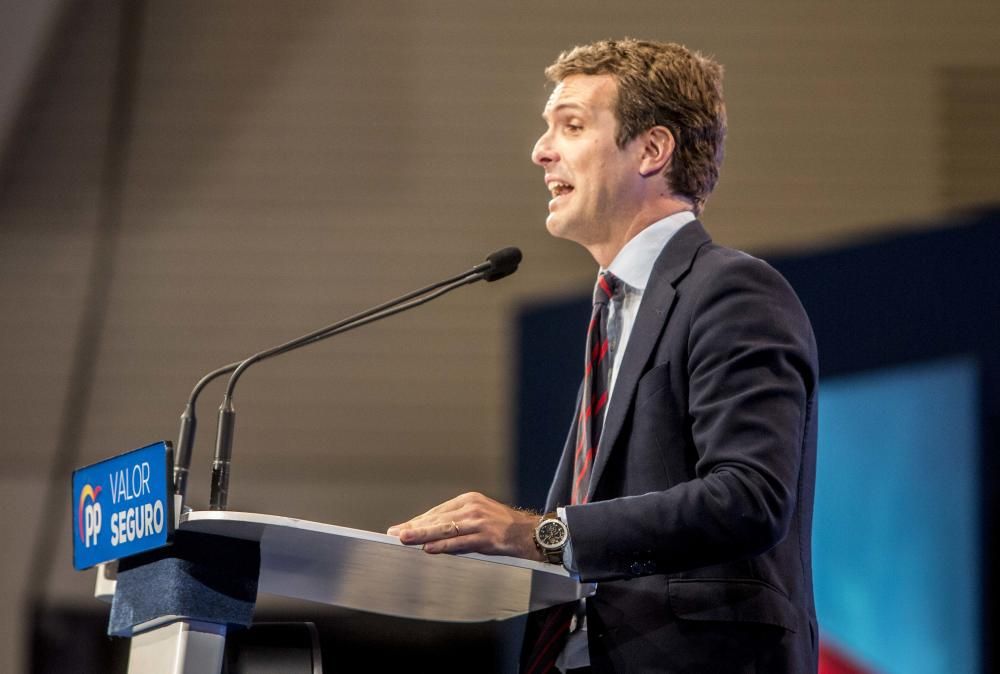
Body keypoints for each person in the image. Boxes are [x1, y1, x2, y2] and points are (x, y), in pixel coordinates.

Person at [388, 38, 818, 673]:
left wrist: (539, 533)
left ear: (652, 149)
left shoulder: (729, 289)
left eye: (572, 125)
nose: (541, 151)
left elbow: (749, 496)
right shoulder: (614, 311)